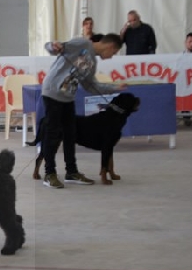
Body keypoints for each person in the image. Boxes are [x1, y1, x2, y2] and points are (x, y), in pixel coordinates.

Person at [40, 33, 127, 189]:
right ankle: (49, 173)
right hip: (53, 92)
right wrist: (54, 45)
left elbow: (90, 86)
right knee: (53, 133)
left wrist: (114, 88)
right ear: (110, 46)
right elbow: (52, 47)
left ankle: (71, 172)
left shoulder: (92, 62)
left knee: (70, 134)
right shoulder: (82, 44)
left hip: (67, 97)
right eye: (113, 53)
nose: (111, 56)